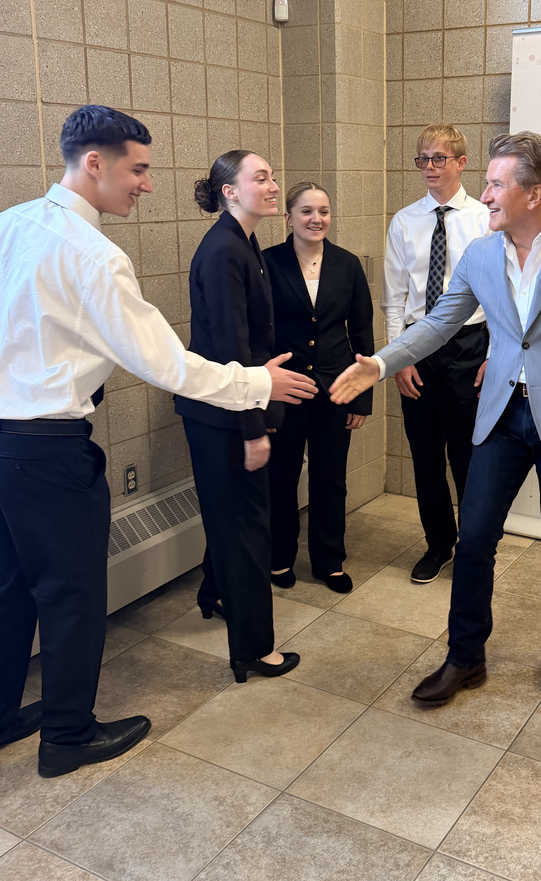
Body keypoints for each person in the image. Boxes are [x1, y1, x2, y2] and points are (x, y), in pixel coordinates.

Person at [0, 109, 316, 777]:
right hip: (44, 449)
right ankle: (67, 735)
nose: (147, 184)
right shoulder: (92, 255)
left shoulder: (4, 226)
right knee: (71, 592)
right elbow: (167, 363)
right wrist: (256, 385)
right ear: (95, 163)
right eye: (138, 168)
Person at [331, 131, 541, 704]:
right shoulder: (479, 254)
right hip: (499, 414)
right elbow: (439, 323)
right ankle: (465, 656)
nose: (488, 195)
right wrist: (378, 363)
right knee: (473, 538)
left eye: (497, 184)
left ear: (534, 193)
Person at [175, 150, 301, 683]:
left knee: (232, 516)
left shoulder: (242, 241)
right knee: (248, 527)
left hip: (228, 404)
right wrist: (255, 428)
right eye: (262, 178)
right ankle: (254, 649)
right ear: (230, 191)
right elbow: (230, 347)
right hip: (225, 413)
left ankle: (215, 592)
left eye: (273, 176)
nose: (274, 186)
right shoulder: (225, 250)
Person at [383, 124, 489, 584]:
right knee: (425, 456)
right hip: (418, 347)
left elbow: (504, 294)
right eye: (422, 159)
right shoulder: (405, 221)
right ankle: (438, 545)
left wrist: (497, 355)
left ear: (461, 163)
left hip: (471, 346)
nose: (428, 167)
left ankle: (473, 548)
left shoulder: (485, 218)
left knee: (469, 457)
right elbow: (393, 297)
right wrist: (396, 359)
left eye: (438, 159)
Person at [265, 183, 374, 594]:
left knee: (331, 480)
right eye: (306, 211)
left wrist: (362, 396)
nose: (316, 219)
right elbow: (260, 332)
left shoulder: (347, 265)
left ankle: (329, 561)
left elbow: (363, 334)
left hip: (337, 389)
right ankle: (279, 559)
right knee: (282, 477)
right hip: (286, 389)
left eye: (324, 211)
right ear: (288, 217)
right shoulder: (267, 264)